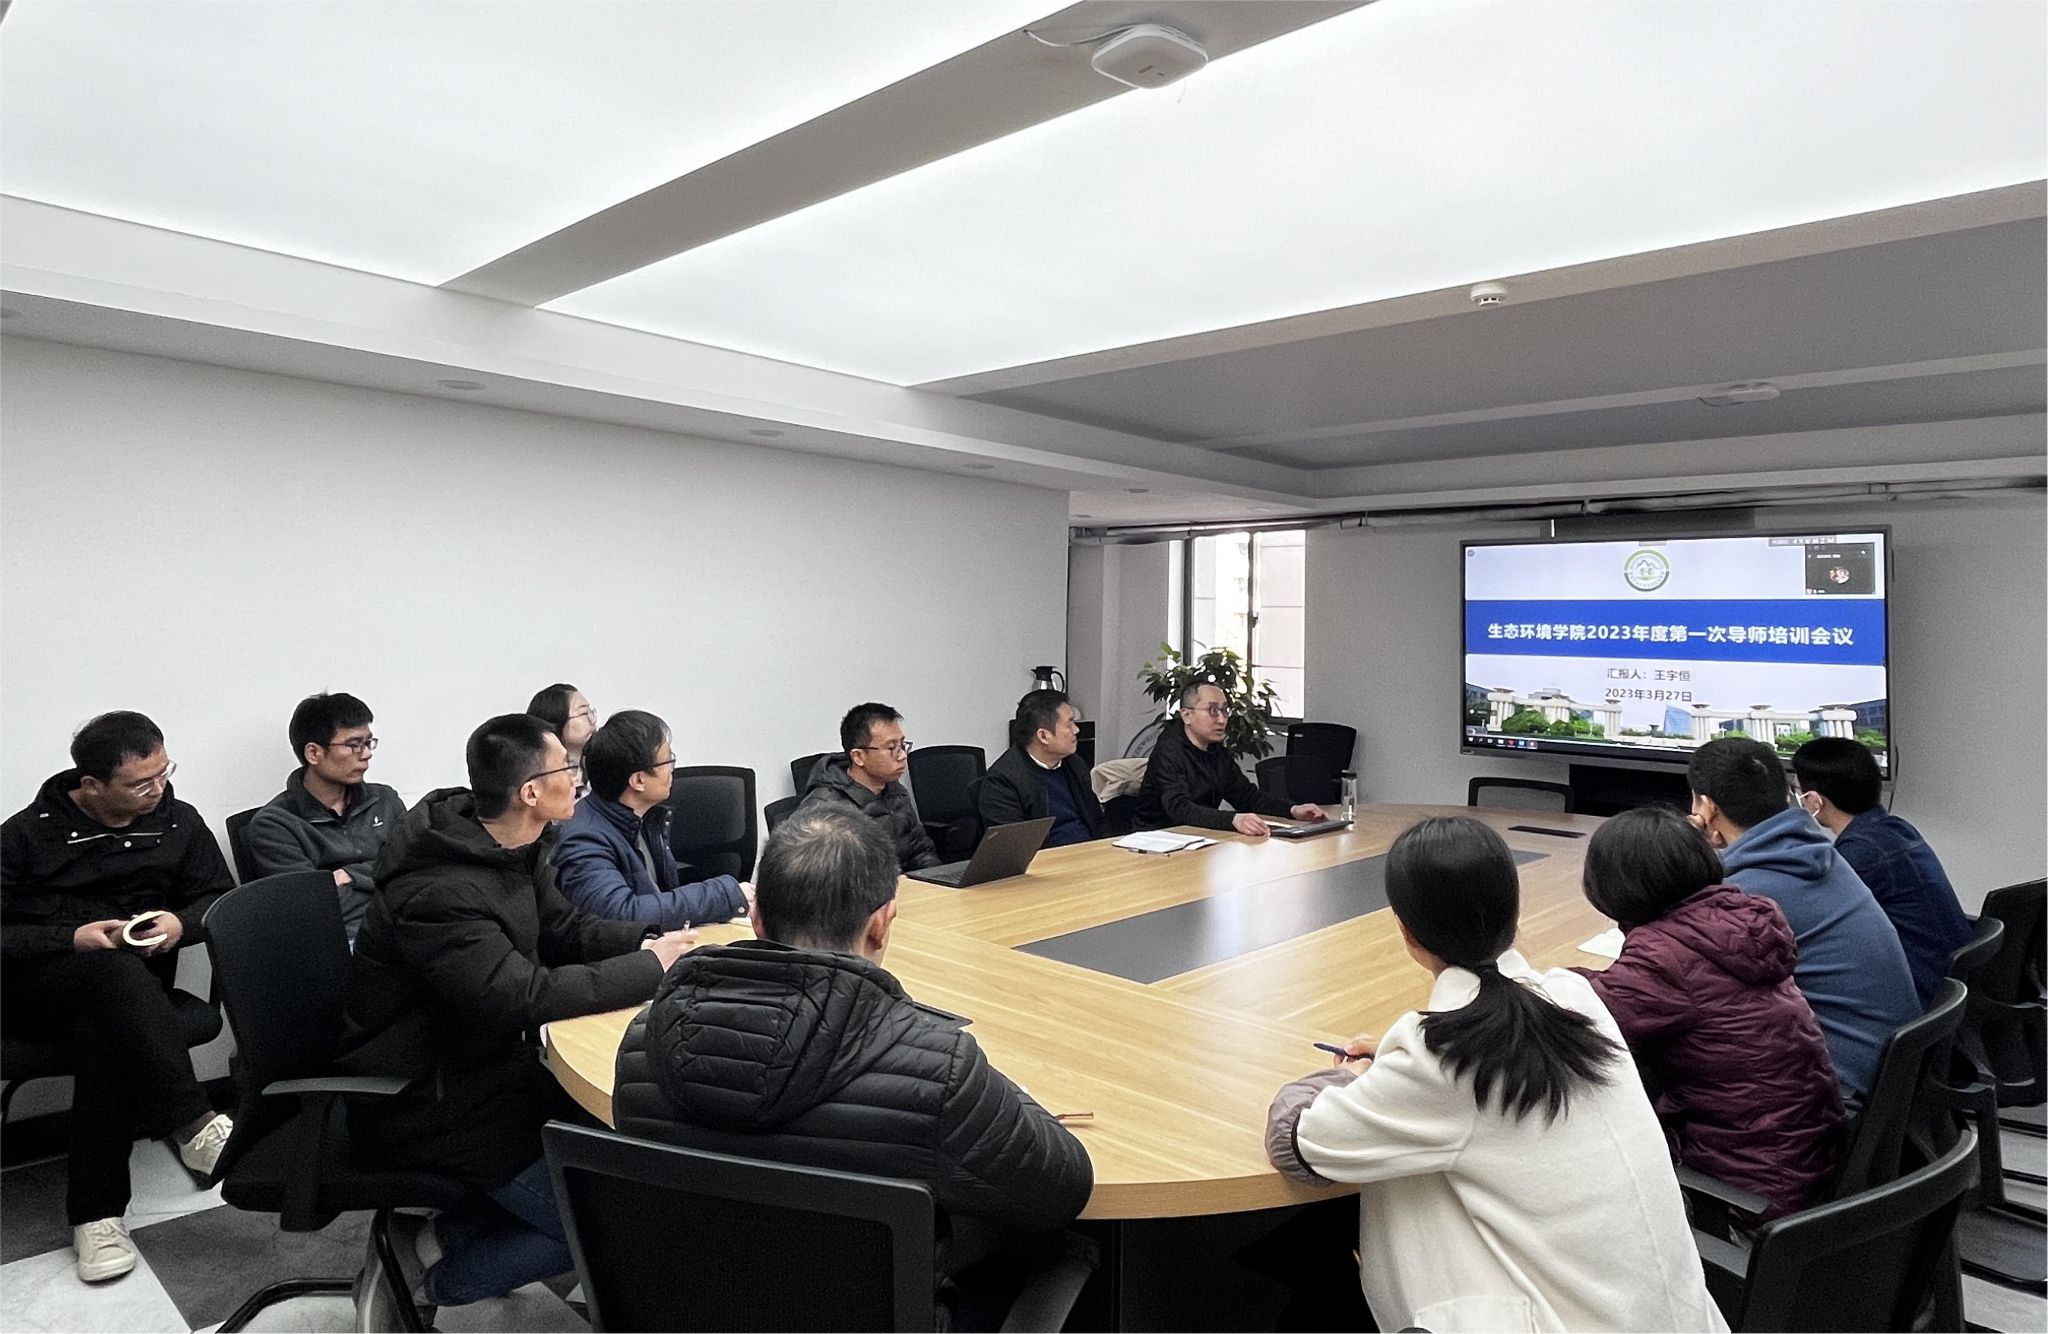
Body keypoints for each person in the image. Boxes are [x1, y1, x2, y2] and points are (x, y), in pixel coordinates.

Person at [614, 805, 1093, 1316]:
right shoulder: (937, 1069)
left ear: (756, 919)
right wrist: (1003, 1090)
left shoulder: (644, 1041)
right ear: (881, 924)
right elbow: (1064, 1189)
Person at [1264, 816, 1724, 1334]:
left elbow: (1298, 1143)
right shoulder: (1574, 997)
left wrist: (1358, 1080)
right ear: (1513, 910)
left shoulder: (1441, 1056)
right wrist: (1398, 1066)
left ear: (1406, 930)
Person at [338, 714, 694, 1310]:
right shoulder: (440, 891)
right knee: (605, 1221)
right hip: (429, 1100)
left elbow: (565, 929)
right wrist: (648, 969)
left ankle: (430, 1241)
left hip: (493, 1074)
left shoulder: (511, 847)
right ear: (531, 792)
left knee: (624, 1165)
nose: (578, 779)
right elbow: (518, 996)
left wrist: (648, 942)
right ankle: (421, 1288)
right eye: (568, 769)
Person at [0, 712, 236, 1283]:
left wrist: (179, 924)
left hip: (130, 999)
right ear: (92, 785)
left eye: (163, 772)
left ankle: (97, 1217)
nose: (157, 790)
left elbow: (218, 897)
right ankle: (191, 1121)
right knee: (110, 975)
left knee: (107, 1029)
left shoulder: (177, 821)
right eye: (139, 783)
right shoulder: (24, 836)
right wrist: (69, 939)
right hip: (35, 992)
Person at [1574, 806, 1845, 1218]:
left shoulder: (1667, 957)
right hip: (1805, 1164)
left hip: (1748, 1198)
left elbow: (1580, 1011)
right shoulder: (1737, 922)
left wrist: (1530, 975)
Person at [1688, 736, 1918, 1108]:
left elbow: (1685, 993)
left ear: (1707, 807)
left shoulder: (1746, 894)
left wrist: (1687, 852)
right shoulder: (1815, 854)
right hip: (1884, 1075)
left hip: (1837, 1094)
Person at [1792, 737, 1972, 1007]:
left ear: (1815, 800)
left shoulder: (1859, 854)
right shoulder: (1895, 829)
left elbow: (1809, 925)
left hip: (1922, 996)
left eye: (1798, 791)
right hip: (1950, 985)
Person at [555, 710, 748, 930]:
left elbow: (660, 895)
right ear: (638, 780)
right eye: (667, 761)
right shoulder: (584, 839)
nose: (671, 770)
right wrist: (723, 895)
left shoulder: (643, 818)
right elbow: (622, 916)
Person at [245, 691, 405, 941]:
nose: (366, 753)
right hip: (343, 942)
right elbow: (312, 907)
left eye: (368, 742)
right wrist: (387, 881)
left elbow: (417, 870)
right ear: (313, 753)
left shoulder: (384, 800)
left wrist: (349, 876)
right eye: (354, 744)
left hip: (405, 928)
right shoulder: (275, 824)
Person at [1133, 682, 1325, 835]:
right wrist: (1233, 820)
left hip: (1200, 838)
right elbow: (1180, 809)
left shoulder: (1216, 752)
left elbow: (1247, 797)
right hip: (1156, 840)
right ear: (1187, 715)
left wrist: (1292, 810)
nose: (1222, 719)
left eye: (1225, 710)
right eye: (1212, 711)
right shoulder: (1168, 751)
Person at [798, 702, 939, 872]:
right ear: (859, 756)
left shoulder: (896, 792)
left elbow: (921, 851)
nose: (902, 755)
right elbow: (815, 877)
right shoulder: (823, 807)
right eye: (892, 748)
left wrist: (935, 877)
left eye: (902, 746)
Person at [977, 690, 1104, 847]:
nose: (1076, 730)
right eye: (1069, 724)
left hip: (1089, 851)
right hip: (1047, 858)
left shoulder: (1074, 764)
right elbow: (1014, 848)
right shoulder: (1002, 782)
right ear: (1043, 736)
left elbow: (1097, 820)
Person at [527, 683, 596, 796]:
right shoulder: (541, 779)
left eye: (591, 712)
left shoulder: (596, 766)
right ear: (556, 721)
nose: (593, 720)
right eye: (584, 713)